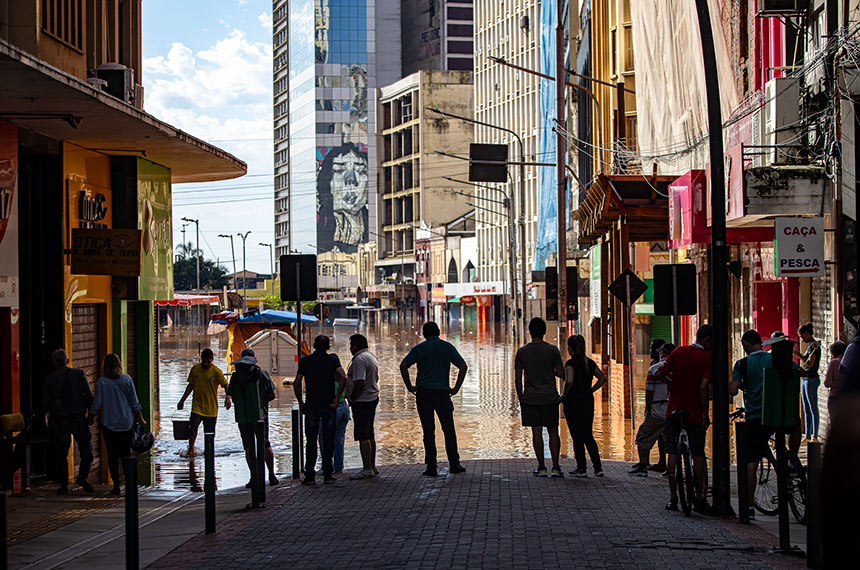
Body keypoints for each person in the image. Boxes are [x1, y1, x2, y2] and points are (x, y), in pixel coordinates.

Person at [656, 324, 713, 513]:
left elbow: (658, 373)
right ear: (707, 340)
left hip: (673, 411)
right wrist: (705, 412)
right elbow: (704, 387)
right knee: (698, 454)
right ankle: (700, 497)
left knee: (671, 452)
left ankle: (673, 499)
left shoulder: (678, 351)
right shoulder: (707, 357)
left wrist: (672, 384)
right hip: (694, 412)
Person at [400, 321, 468, 477]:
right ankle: (454, 463)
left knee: (428, 431)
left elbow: (403, 365)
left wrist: (410, 387)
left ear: (424, 334)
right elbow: (463, 366)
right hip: (443, 394)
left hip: (424, 394)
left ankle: (431, 466)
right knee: (448, 429)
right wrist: (456, 388)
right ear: (438, 332)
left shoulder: (419, 349)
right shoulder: (447, 347)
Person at [729, 330, 774, 520]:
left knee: (751, 463)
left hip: (755, 417)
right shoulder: (774, 359)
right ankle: (791, 462)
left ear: (746, 344)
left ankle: (748, 506)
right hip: (777, 415)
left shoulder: (743, 364)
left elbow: (732, 391)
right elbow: (800, 373)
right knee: (793, 429)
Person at [514, 317, 565, 478]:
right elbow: (560, 373)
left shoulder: (522, 352)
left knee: (536, 430)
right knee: (553, 430)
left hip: (530, 397)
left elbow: (517, 378)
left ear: (530, 332)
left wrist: (521, 397)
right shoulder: (553, 350)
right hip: (550, 396)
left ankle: (541, 467)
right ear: (544, 332)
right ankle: (556, 467)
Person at [89, 353, 145, 495]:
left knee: (112, 455)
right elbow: (134, 400)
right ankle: (129, 484)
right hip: (126, 423)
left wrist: (91, 416)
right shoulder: (126, 379)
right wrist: (140, 418)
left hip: (109, 424)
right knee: (126, 454)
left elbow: (97, 403)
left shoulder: (102, 382)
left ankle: (116, 486)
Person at [294, 336, 346, 484]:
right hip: (328, 406)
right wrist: (337, 398)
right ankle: (328, 473)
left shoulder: (305, 361)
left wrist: (300, 402)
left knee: (311, 441)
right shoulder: (332, 361)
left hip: (311, 406)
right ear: (328, 346)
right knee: (328, 440)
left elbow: (297, 383)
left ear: (315, 345)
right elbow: (343, 377)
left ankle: (310, 474)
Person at [43, 349, 94, 494]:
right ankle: (82, 476)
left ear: (55, 362)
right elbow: (89, 396)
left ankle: (64, 485)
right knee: (86, 450)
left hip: (61, 421)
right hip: (78, 418)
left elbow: (45, 402)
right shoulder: (79, 374)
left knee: (61, 453)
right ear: (67, 360)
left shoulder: (50, 379)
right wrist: (91, 414)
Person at [228, 348, 279, 487]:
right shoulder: (262, 374)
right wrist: (260, 403)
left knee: (249, 447)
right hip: (260, 416)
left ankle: (253, 478)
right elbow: (272, 395)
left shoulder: (235, 377)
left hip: (243, 417)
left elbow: (232, 397)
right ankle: (271, 475)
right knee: (265, 443)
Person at [561, 334, 608, 478]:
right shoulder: (589, 362)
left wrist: (564, 395)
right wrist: (591, 390)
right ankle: (598, 468)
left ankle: (581, 468)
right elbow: (602, 378)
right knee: (588, 435)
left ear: (570, 349)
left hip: (573, 402)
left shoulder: (570, 363)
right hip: (587, 401)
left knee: (576, 436)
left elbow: (569, 381)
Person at [629, 342, 675, 477]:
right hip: (673, 411)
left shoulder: (654, 369)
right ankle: (672, 469)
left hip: (657, 411)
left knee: (643, 437)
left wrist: (648, 408)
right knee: (672, 442)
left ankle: (643, 466)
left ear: (663, 354)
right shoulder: (680, 369)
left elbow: (649, 392)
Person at [177, 348, 231, 457]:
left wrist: (228, 398)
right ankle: (191, 449)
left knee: (209, 434)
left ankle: (208, 452)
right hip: (197, 407)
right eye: (204, 361)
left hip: (211, 409)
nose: (206, 364)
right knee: (192, 429)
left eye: (208, 362)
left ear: (212, 360)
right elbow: (190, 385)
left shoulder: (216, 372)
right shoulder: (195, 369)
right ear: (201, 359)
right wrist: (182, 400)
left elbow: (226, 385)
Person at [346, 334, 380, 480]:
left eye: (351, 345)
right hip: (371, 398)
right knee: (369, 433)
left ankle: (367, 468)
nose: (350, 349)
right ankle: (372, 466)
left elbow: (360, 381)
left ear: (356, 346)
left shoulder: (360, 359)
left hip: (362, 401)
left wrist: (352, 397)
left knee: (363, 435)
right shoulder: (371, 356)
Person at [794, 322, 822, 440]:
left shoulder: (815, 346)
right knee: (806, 407)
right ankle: (808, 434)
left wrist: (798, 355)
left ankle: (814, 435)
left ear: (806, 334)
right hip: (805, 379)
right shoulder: (811, 345)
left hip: (812, 379)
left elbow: (810, 364)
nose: (801, 339)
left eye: (802, 336)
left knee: (812, 407)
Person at [823, 341, 847, 413]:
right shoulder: (849, 361)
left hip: (835, 397)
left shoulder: (833, 362)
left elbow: (827, 383)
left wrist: (834, 384)